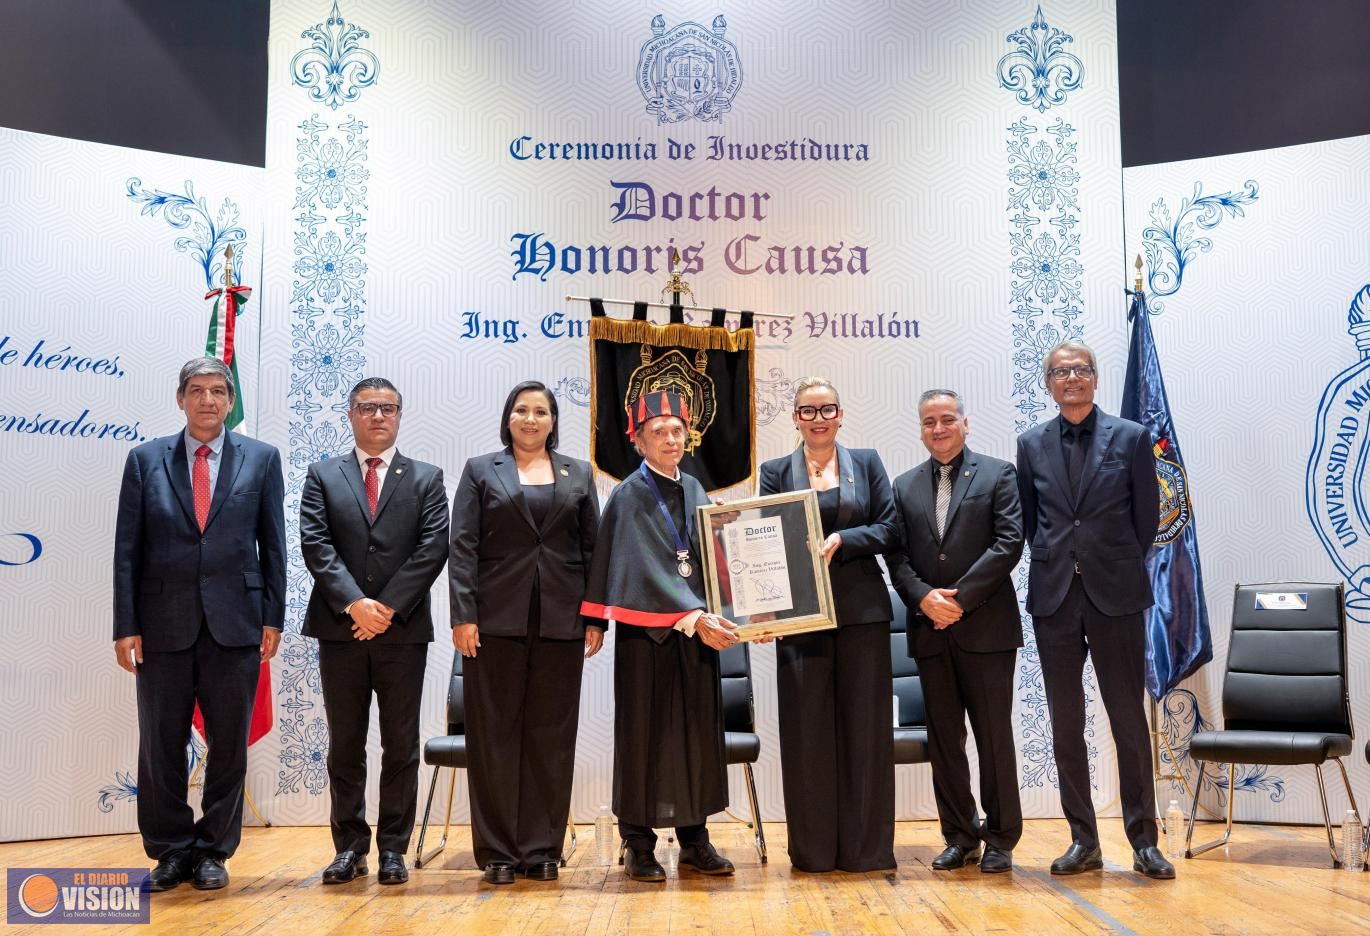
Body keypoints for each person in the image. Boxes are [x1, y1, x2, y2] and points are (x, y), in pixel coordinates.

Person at [112, 356, 285, 892]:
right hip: (161, 625)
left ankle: (214, 850)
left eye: (217, 391)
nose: (207, 399)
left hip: (237, 623)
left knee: (228, 744)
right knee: (160, 744)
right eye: (196, 390)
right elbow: (126, 551)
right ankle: (169, 849)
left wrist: (272, 616)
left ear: (230, 401)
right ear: (180, 399)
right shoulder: (145, 460)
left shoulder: (262, 458)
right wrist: (125, 624)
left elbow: (273, 545)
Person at [1015, 341, 1173, 880]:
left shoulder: (1130, 437)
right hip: (1055, 597)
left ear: (1095, 378)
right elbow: (1031, 521)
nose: (1072, 378)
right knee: (1066, 725)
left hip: (1117, 595)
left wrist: (1108, 561)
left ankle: (1144, 842)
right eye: (1061, 372)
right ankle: (1084, 841)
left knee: (1128, 720)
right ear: (1049, 384)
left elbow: (1148, 517)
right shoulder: (1030, 444)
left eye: (1081, 369)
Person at [580, 388, 738, 882]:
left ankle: (695, 840)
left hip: (695, 637)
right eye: (658, 432)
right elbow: (641, 568)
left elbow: (705, 558)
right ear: (639, 441)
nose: (670, 439)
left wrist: (727, 537)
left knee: (696, 737)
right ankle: (638, 844)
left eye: (677, 430)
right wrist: (692, 615)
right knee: (643, 738)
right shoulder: (630, 494)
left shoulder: (693, 487)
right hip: (647, 638)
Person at [449, 380, 602, 885]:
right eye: (521, 410)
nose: (531, 419)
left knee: (551, 737)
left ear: (554, 420)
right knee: (494, 737)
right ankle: (497, 852)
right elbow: (463, 547)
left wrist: (595, 617)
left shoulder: (578, 473)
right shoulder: (480, 470)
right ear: (508, 417)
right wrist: (463, 615)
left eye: (541, 411)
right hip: (493, 622)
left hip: (562, 621)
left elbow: (593, 549)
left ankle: (541, 850)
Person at [299, 377, 450, 886]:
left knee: (400, 744)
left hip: (402, 631)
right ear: (351, 415)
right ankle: (349, 847)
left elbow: (433, 548)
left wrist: (383, 609)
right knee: (345, 744)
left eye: (388, 407)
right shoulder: (323, 475)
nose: (378, 416)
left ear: (400, 415)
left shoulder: (426, 478)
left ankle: (393, 849)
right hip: (340, 629)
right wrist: (355, 605)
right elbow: (316, 544)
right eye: (367, 407)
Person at [757, 376, 898, 873]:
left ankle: (866, 851)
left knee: (866, 730)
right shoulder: (774, 472)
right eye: (808, 411)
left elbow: (890, 527)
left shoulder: (868, 462)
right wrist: (764, 609)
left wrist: (845, 539)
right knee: (807, 733)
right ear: (795, 418)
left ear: (841, 414)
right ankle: (813, 851)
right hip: (802, 617)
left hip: (862, 612)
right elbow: (765, 541)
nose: (818, 419)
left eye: (827, 409)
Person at [886, 389, 1024, 873]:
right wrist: (925, 598)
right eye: (929, 422)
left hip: (986, 629)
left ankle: (1001, 837)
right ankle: (960, 836)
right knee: (946, 740)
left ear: (966, 423)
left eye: (947, 419)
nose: (939, 428)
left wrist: (958, 601)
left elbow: (1009, 543)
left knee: (993, 737)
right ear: (920, 429)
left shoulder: (998, 474)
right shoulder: (903, 486)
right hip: (929, 630)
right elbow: (896, 556)